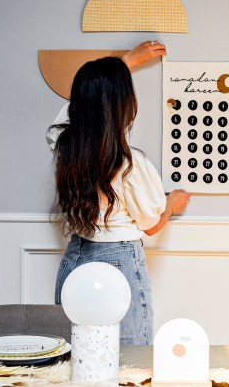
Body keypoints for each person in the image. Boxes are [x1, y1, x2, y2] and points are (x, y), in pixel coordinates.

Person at [47, 40, 191, 345]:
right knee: (131, 356)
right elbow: (151, 225)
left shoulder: (63, 146)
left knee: (76, 352)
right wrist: (171, 205)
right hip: (121, 262)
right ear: (124, 106)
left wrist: (123, 63)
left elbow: (64, 120)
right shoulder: (129, 163)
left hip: (76, 256)